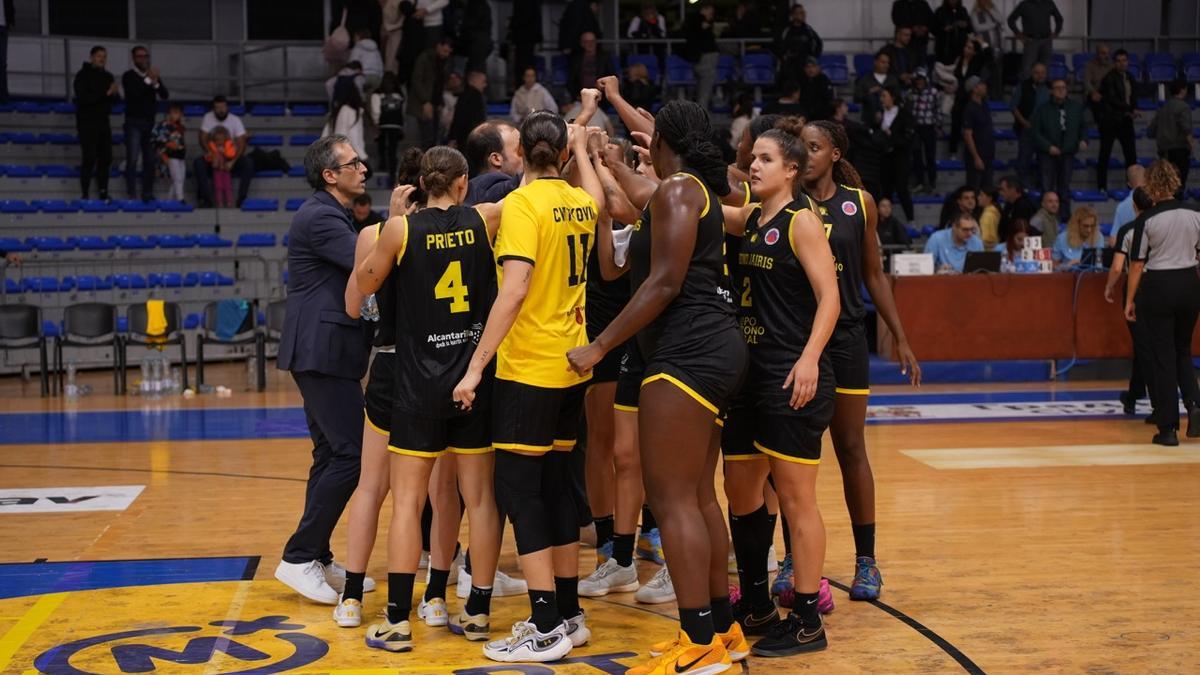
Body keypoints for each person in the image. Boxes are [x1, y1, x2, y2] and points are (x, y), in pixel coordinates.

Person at [565, 100, 745, 673]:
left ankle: (697, 640)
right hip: (711, 349)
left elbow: (664, 283)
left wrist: (599, 345)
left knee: (671, 500)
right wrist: (612, 163)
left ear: (662, 141)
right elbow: (644, 196)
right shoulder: (685, 191)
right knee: (698, 496)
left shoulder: (680, 191)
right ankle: (722, 630)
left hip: (687, 352)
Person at [452, 112, 604, 663]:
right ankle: (568, 613)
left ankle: (543, 627)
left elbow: (514, 290)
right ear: (561, 154)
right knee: (559, 486)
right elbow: (594, 194)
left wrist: (475, 367)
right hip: (572, 366)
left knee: (519, 492)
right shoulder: (582, 203)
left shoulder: (520, 205)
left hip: (530, 367)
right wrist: (582, 147)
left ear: (520, 156)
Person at [353, 146, 506, 650]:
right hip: (472, 382)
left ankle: (398, 621)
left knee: (407, 503)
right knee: (479, 500)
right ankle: (478, 612)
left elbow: (363, 288)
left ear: (421, 184)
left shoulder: (399, 230)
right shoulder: (486, 218)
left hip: (417, 383)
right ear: (463, 183)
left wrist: (390, 226)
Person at [717, 118, 840, 657]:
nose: (755, 166)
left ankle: (808, 621)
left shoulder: (801, 221)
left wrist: (810, 358)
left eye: (766, 159)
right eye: (753, 158)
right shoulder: (750, 217)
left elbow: (831, 297)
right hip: (749, 375)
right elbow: (691, 205)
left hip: (793, 374)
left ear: (792, 170)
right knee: (741, 493)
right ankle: (757, 604)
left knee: (795, 500)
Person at [793, 120, 921, 607]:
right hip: (797, 338)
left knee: (850, 446)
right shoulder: (787, 201)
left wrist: (900, 337)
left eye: (814, 147)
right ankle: (790, 561)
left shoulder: (859, 203)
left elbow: (873, 274)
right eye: (800, 147)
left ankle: (867, 560)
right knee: (792, 454)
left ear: (835, 153)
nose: (805, 154)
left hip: (846, 338)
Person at [274, 135, 376, 604]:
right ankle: (298, 557)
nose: (363, 168)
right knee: (352, 455)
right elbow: (369, 265)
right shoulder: (320, 217)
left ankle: (316, 554)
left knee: (330, 454)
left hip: (323, 349)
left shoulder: (331, 213)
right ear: (330, 175)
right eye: (353, 163)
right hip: (322, 349)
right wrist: (405, 225)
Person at [1124, 161, 1200, 446]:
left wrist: (1130, 300)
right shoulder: (1195, 212)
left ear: (1152, 186)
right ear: (1175, 182)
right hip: (1190, 284)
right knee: (1183, 350)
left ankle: (1168, 429)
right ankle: (1195, 405)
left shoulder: (1147, 219)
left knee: (1162, 355)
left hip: (1158, 286)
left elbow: (1136, 264)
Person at [1105, 187, 1156, 415]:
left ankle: (1158, 403)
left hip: (1136, 288)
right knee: (1146, 344)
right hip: (1162, 285)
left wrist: (1109, 286)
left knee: (1145, 347)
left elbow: (1117, 267)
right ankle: (1134, 394)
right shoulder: (1162, 227)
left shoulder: (1128, 230)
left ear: (1134, 206)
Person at [121, 45, 169, 202]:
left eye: (145, 56)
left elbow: (164, 94)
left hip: (149, 123)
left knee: (150, 160)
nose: (143, 59)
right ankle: (132, 194)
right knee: (133, 159)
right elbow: (135, 94)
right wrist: (149, 79)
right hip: (133, 122)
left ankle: (147, 193)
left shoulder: (152, 75)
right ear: (133, 58)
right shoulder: (128, 76)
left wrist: (156, 83)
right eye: (140, 56)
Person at [1033, 77, 1085, 216]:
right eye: (1057, 88)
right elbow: (1035, 132)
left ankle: (1065, 217)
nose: (1061, 90)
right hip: (1047, 154)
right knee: (1047, 187)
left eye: (1063, 88)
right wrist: (1048, 147)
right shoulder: (1043, 109)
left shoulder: (1075, 107)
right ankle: (1045, 218)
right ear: (1051, 91)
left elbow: (1083, 127)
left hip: (1068, 152)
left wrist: (1083, 140)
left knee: (1064, 187)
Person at [74, 46, 118, 202]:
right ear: (92, 57)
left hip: (103, 122)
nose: (102, 59)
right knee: (89, 157)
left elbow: (114, 100)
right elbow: (83, 98)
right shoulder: (82, 75)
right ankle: (85, 193)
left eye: (104, 56)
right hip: (87, 122)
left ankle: (103, 191)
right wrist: (106, 94)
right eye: (99, 56)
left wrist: (114, 93)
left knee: (106, 157)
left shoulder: (108, 76)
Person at [195, 97, 253, 208]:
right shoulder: (208, 117)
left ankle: (242, 199)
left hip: (230, 158)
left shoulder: (235, 120)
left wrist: (232, 162)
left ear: (227, 107)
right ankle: (206, 200)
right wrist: (210, 153)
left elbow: (242, 143)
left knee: (248, 163)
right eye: (217, 107)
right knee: (198, 163)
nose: (221, 110)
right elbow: (202, 137)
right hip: (213, 158)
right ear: (214, 109)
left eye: (223, 107)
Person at [1097, 49, 1138, 191]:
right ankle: (1101, 186)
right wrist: (1130, 109)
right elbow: (1112, 99)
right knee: (1104, 155)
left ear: (1128, 62)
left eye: (1124, 60)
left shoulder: (1130, 77)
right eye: (1119, 61)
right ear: (1114, 63)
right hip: (1110, 121)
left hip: (1126, 120)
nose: (1122, 63)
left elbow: (1133, 97)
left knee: (1131, 156)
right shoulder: (1109, 78)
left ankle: (1132, 186)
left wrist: (1134, 108)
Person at [877, 86, 915, 223]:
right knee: (885, 190)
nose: (882, 99)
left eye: (884, 96)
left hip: (901, 158)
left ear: (892, 97)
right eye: (881, 96)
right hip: (885, 158)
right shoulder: (879, 114)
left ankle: (911, 220)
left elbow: (908, 138)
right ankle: (884, 221)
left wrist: (891, 135)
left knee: (901, 188)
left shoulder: (904, 114)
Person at [1149, 81, 1195, 191]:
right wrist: (1191, 143)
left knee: (1166, 184)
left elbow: (1151, 131)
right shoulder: (1183, 107)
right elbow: (1186, 127)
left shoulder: (1162, 108)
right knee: (1179, 183)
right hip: (1179, 150)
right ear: (1183, 90)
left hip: (1163, 151)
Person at [408, 38, 453, 149]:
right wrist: (425, 101)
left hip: (436, 101)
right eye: (444, 51)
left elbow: (441, 83)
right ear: (439, 46)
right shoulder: (425, 58)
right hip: (425, 101)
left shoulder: (445, 62)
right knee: (427, 136)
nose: (446, 54)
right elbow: (417, 80)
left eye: (448, 52)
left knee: (435, 135)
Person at [947, 37, 990, 155]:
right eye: (966, 47)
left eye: (970, 48)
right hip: (959, 97)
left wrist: (982, 42)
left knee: (974, 127)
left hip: (973, 97)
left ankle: (975, 153)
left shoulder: (977, 61)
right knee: (955, 124)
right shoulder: (959, 60)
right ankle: (952, 152)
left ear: (975, 52)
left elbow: (989, 55)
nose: (966, 49)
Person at [1010, 62, 1049, 190]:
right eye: (1037, 73)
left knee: (1044, 162)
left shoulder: (1049, 87)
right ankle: (1023, 188)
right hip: (1027, 130)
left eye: (1043, 73)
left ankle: (1042, 188)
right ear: (1032, 73)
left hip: (1044, 131)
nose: (1040, 75)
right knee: (1024, 160)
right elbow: (1013, 106)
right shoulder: (1023, 86)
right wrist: (1024, 122)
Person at [464, 120, 522, 205]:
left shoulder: (468, 191)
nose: (527, 156)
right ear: (496, 159)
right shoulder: (495, 186)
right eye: (519, 150)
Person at [1007, 0, 1062, 79]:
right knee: (1027, 69)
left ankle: (1043, 86)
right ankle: (1027, 86)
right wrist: (1019, 35)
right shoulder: (1024, 4)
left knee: (1045, 68)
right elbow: (1011, 20)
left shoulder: (1049, 3)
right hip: (1031, 41)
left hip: (1046, 41)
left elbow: (1059, 19)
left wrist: (1056, 32)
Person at [683, 2, 721, 111]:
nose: (711, 15)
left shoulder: (692, 21)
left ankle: (698, 113)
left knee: (701, 90)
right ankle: (701, 116)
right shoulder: (699, 22)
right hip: (706, 58)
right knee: (704, 92)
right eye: (710, 13)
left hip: (698, 59)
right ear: (703, 10)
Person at [907, 68, 940, 193]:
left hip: (929, 127)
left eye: (921, 79)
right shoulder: (910, 93)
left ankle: (932, 182)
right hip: (915, 129)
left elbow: (938, 109)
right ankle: (920, 182)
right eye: (917, 79)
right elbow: (907, 111)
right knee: (917, 156)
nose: (919, 82)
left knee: (930, 156)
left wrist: (938, 125)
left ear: (925, 80)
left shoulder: (933, 92)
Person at [371, 73, 405, 186]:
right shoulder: (399, 95)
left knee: (382, 146)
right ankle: (392, 175)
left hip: (383, 124)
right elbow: (402, 111)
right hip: (396, 124)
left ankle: (383, 165)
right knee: (392, 150)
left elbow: (376, 111)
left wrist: (376, 123)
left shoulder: (377, 94)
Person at [776, 4, 823, 86]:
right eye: (800, 13)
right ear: (793, 15)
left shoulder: (808, 29)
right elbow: (778, 46)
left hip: (805, 66)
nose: (804, 15)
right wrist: (784, 57)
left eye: (804, 12)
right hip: (790, 66)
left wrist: (813, 57)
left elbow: (819, 43)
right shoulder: (786, 30)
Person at [961, 77, 994, 190]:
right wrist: (976, 157)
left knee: (988, 190)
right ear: (974, 89)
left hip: (988, 154)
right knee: (974, 189)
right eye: (981, 84)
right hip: (977, 155)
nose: (985, 86)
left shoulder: (984, 105)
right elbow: (967, 135)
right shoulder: (969, 109)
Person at [324, 86, 370, 163]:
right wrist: (362, 155)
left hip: (339, 153)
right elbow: (351, 136)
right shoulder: (348, 111)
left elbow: (325, 135)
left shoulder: (337, 111)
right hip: (346, 154)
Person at [152, 103, 187, 202]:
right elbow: (155, 141)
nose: (173, 115)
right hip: (169, 157)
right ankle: (180, 199)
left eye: (176, 113)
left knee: (180, 179)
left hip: (180, 156)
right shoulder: (162, 125)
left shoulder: (180, 127)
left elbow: (181, 143)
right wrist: (163, 156)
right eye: (171, 113)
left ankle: (171, 200)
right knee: (177, 179)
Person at [1051, 204, 1101, 270]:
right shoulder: (1061, 238)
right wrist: (1067, 266)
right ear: (1076, 225)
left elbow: (1100, 265)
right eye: (1085, 226)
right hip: (1067, 275)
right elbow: (1053, 266)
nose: (1089, 230)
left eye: (1092, 226)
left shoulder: (1099, 237)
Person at [971, 0, 1004, 97]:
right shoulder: (975, 13)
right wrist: (993, 24)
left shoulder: (993, 10)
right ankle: (983, 96)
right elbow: (977, 28)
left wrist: (990, 10)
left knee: (997, 75)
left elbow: (1001, 20)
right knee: (985, 74)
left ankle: (997, 97)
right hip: (984, 50)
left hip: (997, 48)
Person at [854, 51, 900, 120]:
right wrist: (869, 93)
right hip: (869, 119)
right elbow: (856, 98)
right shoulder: (865, 79)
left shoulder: (892, 80)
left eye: (888, 63)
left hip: (890, 120)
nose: (886, 65)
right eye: (883, 62)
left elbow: (898, 98)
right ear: (875, 62)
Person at [568, 31, 616, 95]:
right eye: (587, 42)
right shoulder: (576, 58)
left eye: (592, 41)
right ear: (582, 43)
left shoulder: (605, 57)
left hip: (601, 94)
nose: (590, 44)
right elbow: (571, 80)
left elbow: (612, 77)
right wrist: (576, 95)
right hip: (581, 93)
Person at [891, 0, 934, 70]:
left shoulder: (923, 4)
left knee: (920, 67)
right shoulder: (898, 4)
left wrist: (925, 28)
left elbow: (931, 19)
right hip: (904, 43)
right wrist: (911, 28)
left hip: (920, 42)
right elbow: (897, 20)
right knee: (903, 65)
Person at [449, 70, 487, 149]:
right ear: (475, 81)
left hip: (464, 139)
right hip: (471, 139)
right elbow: (460, 118)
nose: (485, 85)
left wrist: (452, 137)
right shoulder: (476, 96)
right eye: (483, 81)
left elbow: (457, 118)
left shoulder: (463, 95)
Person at [627, 1, 668, 68]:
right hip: (642, 47)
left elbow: (663, 34)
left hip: (657, 47)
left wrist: (654, 28)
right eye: (646, 9)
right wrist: (644, 36)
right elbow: (630, 34)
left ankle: (661, 72)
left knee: (661, 56)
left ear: (654, 10)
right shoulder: (637, 19)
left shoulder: (660, 18)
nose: (649, 11)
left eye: (651, 8)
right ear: (642, 10)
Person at [204, 126, 237, 208]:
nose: (219, 142)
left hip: (226, 171)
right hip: (217, 172)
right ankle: (219, 202)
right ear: (214, 141)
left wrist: (224, 152)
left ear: (225, 140)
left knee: (228, 187)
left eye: (221, 140)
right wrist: (211, 156)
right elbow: (208, 158)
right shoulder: (212, 149)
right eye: (217, 140)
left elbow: (232, 155)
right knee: (218, 187)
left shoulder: (228, 148)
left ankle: (229, 202)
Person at [998, 175, 1037, 241]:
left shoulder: (1025, 206)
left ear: (1013, 189)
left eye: (1003, 190)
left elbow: (1022, 231)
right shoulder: (1009, 204)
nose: (1000, 193)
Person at [933, 0, 973, 66]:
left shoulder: (963, 10)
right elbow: (933, 29)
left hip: (961, 47)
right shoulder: (940, 11)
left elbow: (970, 29)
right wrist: (944, 29)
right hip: (944, 48)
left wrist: (966, 25)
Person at [459, 0, 494, 74]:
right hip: (480, 42)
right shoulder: (481, 4)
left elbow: (471, 25)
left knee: (475, 72)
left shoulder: (475, 5)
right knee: (476, 71)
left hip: (476, 43)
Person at [1082, 44, 1112, 126]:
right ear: (1097, 54)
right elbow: (1086, 82)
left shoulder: (1112, 66)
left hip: (1108, 93)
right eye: (1103, 53)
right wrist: (1093, 92)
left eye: (1108, 53)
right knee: (1098, 102)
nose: (1106, 56)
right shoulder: (1090, 65)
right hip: (1094, 92)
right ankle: (1100, 125)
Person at [1111, 164, 1146, 233]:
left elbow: (1113, 238)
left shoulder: (1121, 207)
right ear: (1146, 180)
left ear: (1129, 184)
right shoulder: (1155, 201)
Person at [349, 28, 384, 94]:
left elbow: (352, 63)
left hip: (363, 75)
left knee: (361, 96)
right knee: (372, 97)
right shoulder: (376, 49)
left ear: (358, 37)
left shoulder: (358, 47)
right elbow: (380, 64)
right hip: (377, 76)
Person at [799, 57, 835, 122]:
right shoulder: (802, 80)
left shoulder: (824, 80)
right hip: (805, 115)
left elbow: (829, 99)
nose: (810, 69)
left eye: (813, 66)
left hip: (822, 115)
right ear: (804, 69)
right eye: (808, 67)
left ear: (818, 68)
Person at [0, 0, 11, 103]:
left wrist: (11, 22)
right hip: (3, 28)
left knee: (2, 63)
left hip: (3, 28)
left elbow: (10, 6)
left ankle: (3, 96)